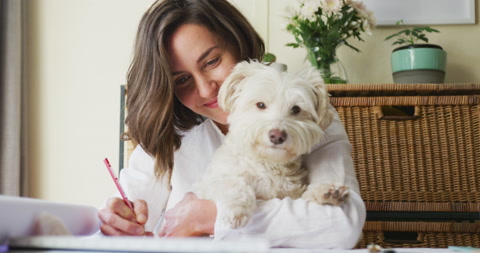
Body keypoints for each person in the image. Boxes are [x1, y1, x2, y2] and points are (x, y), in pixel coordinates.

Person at [98, 0, 366, 249]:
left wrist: (209, 216)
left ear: (238, 41)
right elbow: (128, 219)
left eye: (212, 61)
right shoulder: (170, 129)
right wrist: (116, 222)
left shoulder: (304, 116)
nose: (205, 90)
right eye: (181, 80)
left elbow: (341, 224)